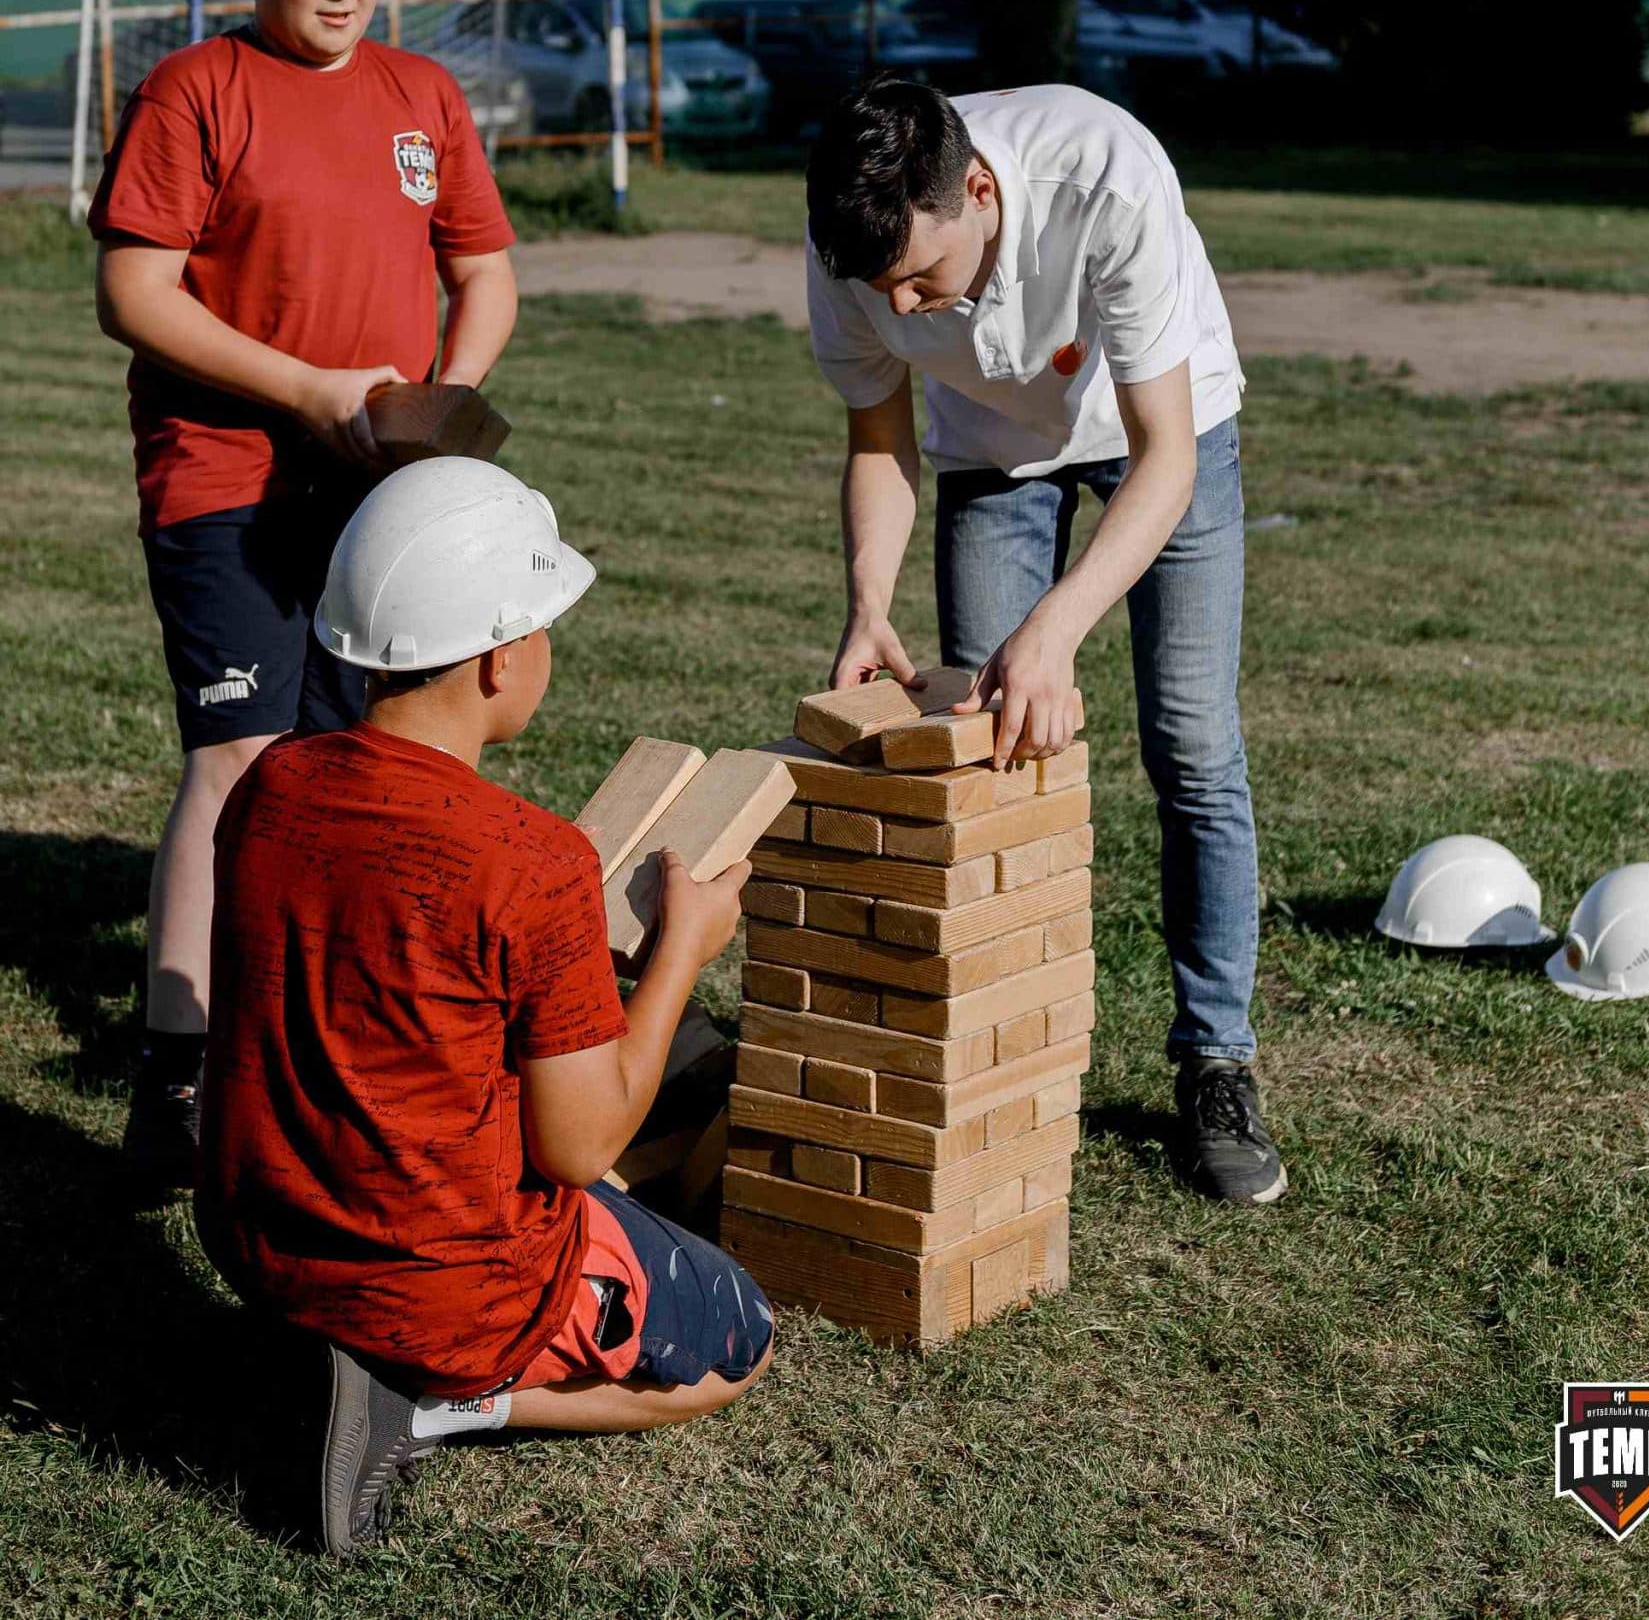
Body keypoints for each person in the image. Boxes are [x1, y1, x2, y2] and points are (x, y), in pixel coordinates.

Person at [195, 459, 771, 1556]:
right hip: (448, 1287)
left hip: (259, 1239)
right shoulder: (529, 859)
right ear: (504, 654)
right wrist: (680, 953)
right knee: (733, 1342)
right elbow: (579, 1142)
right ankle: (427, 1402)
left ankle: (335, 1350)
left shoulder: (270, 785)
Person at [87, 0, 518, 1195]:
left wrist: (436, 404)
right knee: (240, 758)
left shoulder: (422, 96)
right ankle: (178, 1066)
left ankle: (330, 1038)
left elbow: (487, 270)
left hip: (379, 478)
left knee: (370, 766)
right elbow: (133, 295)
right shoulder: (196, 89)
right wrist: (306, 389)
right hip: (224, 477)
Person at [804, 75, 1285, 1205]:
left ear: (976, 188)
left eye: (924, 276)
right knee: (984, 751)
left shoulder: (1104, 171)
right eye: (888, 290)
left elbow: (1164, 451)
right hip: (988, 456)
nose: (910, 309)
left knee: (1191, 745)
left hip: (1162, 428)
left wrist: (1055, 628)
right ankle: (997, 1053)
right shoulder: (848, 243)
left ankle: (1214, 1059)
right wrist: (868, 598)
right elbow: (879, 439)